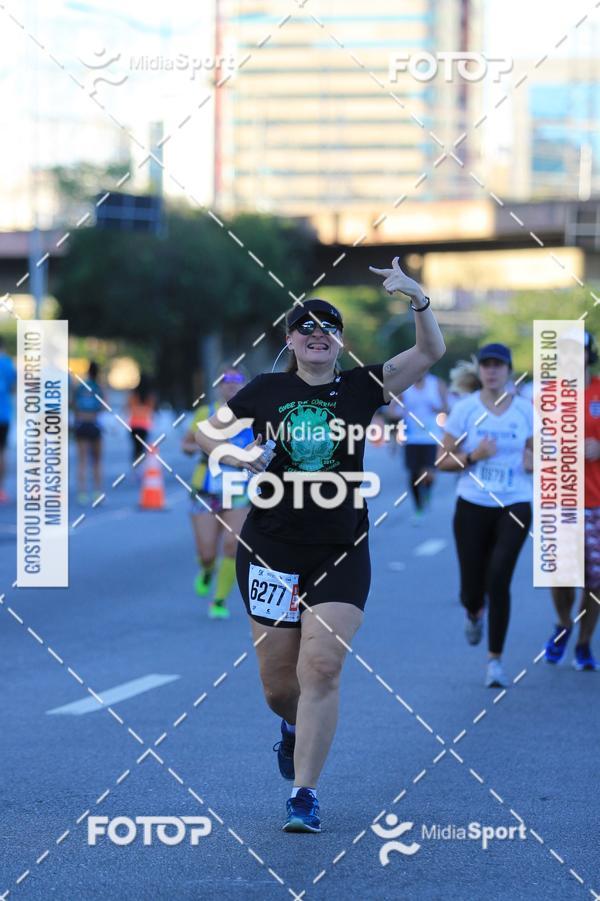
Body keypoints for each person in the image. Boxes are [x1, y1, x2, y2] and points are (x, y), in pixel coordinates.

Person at [193, 258, 445, 833]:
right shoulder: (265, 389)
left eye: (327, 327)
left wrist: (418, 299)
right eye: (305, 327)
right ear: (290, 340)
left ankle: (304, 795)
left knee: (322, 667)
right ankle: (291, 728)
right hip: (270, 549)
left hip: (340, 548)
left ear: (339, 341)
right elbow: (207, 433)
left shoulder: (362, 386)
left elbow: (429, 353)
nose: (316, 334)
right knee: (281, 687)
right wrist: (235, 454)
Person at [436, 343, 533, 689]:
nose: (492, 371)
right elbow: (442, 461)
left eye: (499, 365)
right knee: (472, 588)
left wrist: (532, 460)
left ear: (508, 370)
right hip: (473, 503)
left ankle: (495, 661)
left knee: (499, 577)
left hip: (515, 502)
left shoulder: (526, 410)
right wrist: (474, 455)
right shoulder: (464, 410)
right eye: (487, 365)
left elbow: (542, 452)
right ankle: (473, 610)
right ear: (480, 370)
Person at [544, 330, 600, 671]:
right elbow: (535, 443)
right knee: (561, 575)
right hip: (560, 498)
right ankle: (564, 622)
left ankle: (583, 643)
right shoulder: (550, 395)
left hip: (596, 500)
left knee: (595, 580)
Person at [181, 365, 253, 620]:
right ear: (219, 385)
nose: (231, 385)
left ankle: (219, 600)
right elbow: (187, 444)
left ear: (245, 384)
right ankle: (207, 569)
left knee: (233, 545)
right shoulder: (206, 412)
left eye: (237, 380)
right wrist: (199, 448)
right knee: (207, 552)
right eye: (226, 380)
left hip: (241, 490)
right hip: (206, 490)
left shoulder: (255, 413)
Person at [391, 373, 447, 518]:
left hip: (432, 437)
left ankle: (427, 491)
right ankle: (418, 506)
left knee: (429, 472)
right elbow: (392, 410)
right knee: (414, 474)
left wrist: (438, 409)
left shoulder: (436, 383)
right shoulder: (405, 386)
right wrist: (398, 413)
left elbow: (447, 408)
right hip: (412, 438)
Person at [72, 361, 105, 505]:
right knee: (96, 461)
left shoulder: (80, 386)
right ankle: (97, 493)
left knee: (82, 461)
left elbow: (72, 403)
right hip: (94, 423)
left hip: (81, 424)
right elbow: (104, 406)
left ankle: (82, 493)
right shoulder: (99, 387)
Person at [0, 336, 16, 503]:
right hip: (3, 415)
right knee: (2, 452)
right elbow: (13, 388)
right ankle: (1, 489)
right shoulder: (7, 363)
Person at [127, 374, 156, 464]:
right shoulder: (149, 395)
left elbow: (128, 407)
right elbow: (151, 410)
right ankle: (141, 468)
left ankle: (135, 468)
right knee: (142, 448)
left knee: (135, 448)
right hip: (144, 426)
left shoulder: (134, 394)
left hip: (133, 425)